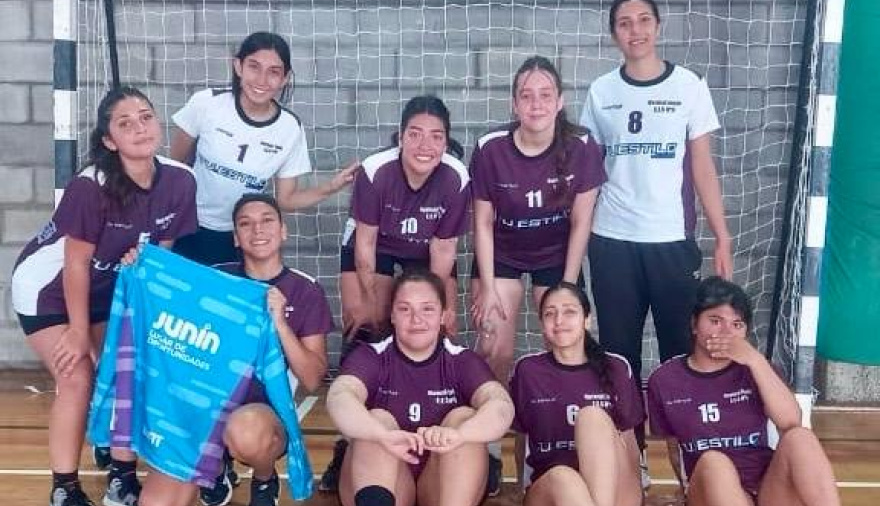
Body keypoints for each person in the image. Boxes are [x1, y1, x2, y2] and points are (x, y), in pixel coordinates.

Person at [11, 86, 198, 506]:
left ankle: (121, 476)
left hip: (111, 288)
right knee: (77, 377)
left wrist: (143, 262)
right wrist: (79, 332)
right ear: (110, 141)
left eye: (146, 117)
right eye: (125, 123)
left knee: (129, 371)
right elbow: (75, 264)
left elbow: (160, 256)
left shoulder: (180, 181)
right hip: (49, 290)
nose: (140, 128)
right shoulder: (90, 186)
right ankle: (64, 487)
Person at [579, 0, 734, 478]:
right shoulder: (601, 91)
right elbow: (588, 174)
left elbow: (702, 166)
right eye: (625, 23)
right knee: (619, 357)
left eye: (644, 20)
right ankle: (634, 461)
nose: (636, 30)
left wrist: (722, 235)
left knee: (679, 354)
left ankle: (688, 462)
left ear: (658, 27)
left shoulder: (689, 86)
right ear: (614, 34)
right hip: (612, 241)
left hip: (671, 242)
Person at [319, 95, 472, 492]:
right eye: (415, 134)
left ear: (446, 141)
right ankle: (350, 444)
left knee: (442, 326)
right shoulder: (376, 171)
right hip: (377, 247)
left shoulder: (456, 177)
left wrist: (436, 308)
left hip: (427, 249)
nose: (425, 145)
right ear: (400, 137)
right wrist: (373, 303)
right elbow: (365, 246)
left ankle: (444, 440)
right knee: (366, 326)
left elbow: (443, 251)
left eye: (436, 136)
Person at [469, 55, 605, 489]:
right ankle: (488, 449)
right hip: (503, 253)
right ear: (514, 104)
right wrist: (488, 286)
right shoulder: (491, 148)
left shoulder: (582, 146)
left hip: (556, 254)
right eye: (526, 96)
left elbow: (582, 222)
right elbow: (482, 222)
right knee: (494, 343)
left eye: (545, 95)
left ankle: (556, 443)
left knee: (564, 339)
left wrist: (567, 285)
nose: (536, 103)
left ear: (560, 101)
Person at [326, 270, 514, 506]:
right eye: (405, 309)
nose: (416, 319)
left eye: (427, 309)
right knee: (377, 420)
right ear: (392, 315)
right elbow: (339, 397)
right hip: (386, 477)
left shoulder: (461, 360)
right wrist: (381, 434)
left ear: (443, 316)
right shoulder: (371, 356)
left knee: (463, 418)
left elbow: (501, 406)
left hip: (437, 482)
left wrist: (460, 434)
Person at [646, 277, 840, 506]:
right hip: (709, 489)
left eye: (737, 325)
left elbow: (791, 421)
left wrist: (755, 360)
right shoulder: (665, 379)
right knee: (714, 462)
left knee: (801, 437)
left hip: (766, 488)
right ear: (694, 324)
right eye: (715, 321)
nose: (726, 331)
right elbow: (673, 449)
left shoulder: (757, 368)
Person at [169, 31, 357, 266]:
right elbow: (174, 169)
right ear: (238, 66)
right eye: (254, 67)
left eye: (273, 72)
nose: (262, 80)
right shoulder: (207, 103)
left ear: (285, 78)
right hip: (185, 225)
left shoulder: (290, 128)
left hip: (241, 237)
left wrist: (331, 187)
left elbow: (286, 200)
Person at [510, 282, 644, 506]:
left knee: (592, 417)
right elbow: (521, 441)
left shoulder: (617, 367)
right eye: (550, 314)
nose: (559, 321)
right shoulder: (528, 370)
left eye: (569, 312)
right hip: (551, 489)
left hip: (615, 491)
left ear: (587, 319)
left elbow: (629, 444)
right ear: (542, 324)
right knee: (563, 477)